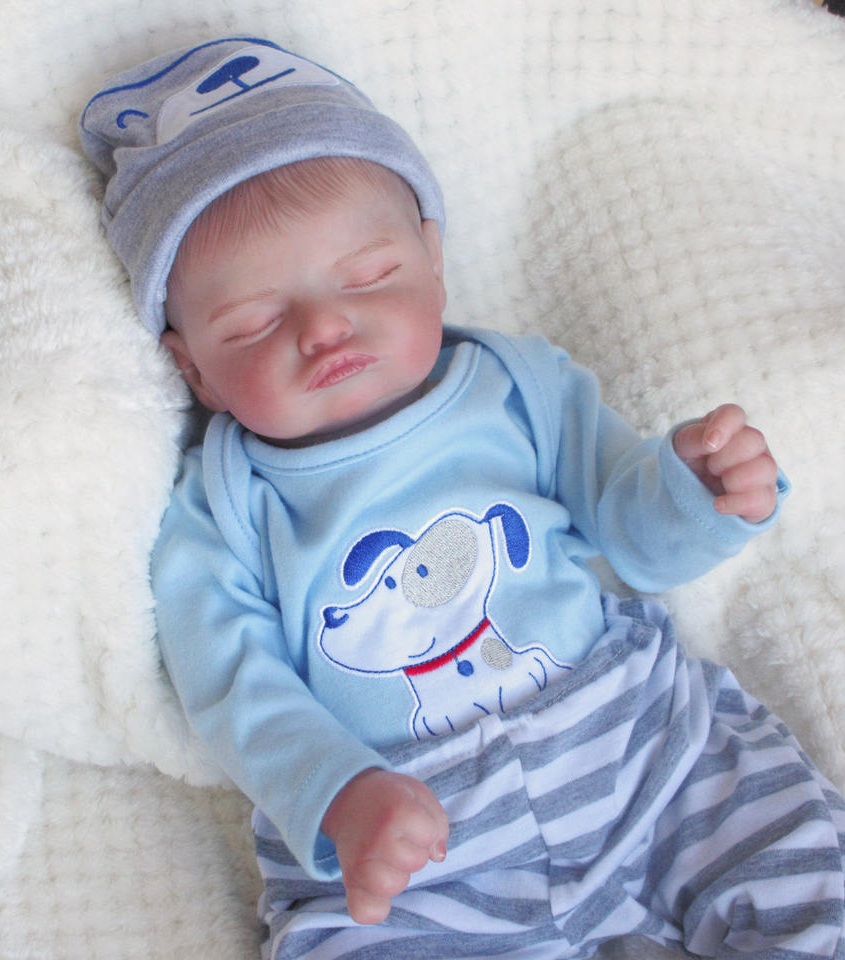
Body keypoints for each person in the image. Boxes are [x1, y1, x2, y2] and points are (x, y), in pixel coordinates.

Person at [80, 37, 845, 959]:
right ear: (192, 368)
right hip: (416, 854)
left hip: (641, 750)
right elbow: (234, 687)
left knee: (790, 858)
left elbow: (631, 532)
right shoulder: (222, 509)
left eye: (369, 277)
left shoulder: (519, 385)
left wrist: (695, 491)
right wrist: (340, 794)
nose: (325, 327)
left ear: (432, 259)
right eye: (253, 322)